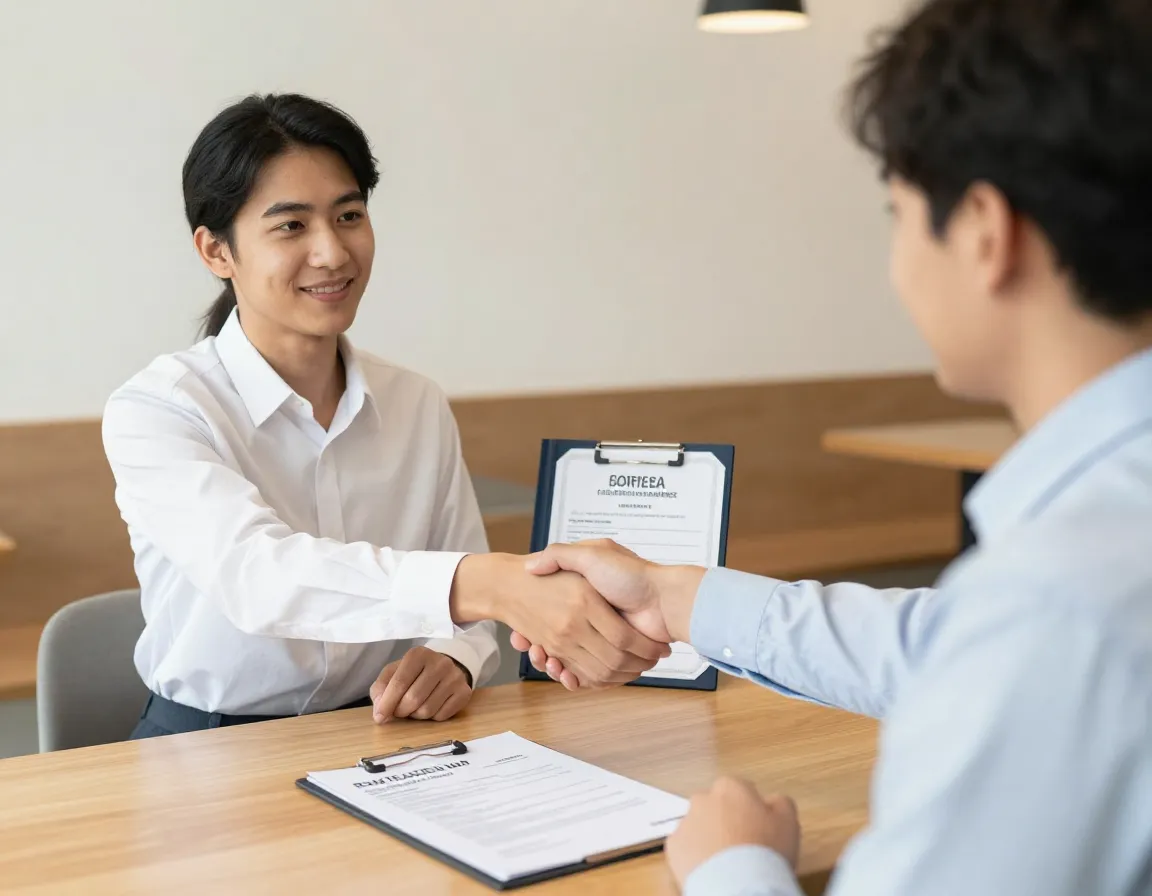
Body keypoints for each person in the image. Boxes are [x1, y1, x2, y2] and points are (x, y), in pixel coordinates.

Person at [514, 0, 1152, 892]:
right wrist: (676, 596)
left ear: (984, 231)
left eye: (897, 212)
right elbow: (945, 646)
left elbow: (1010, 647)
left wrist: (734, 865)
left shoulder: (1055, 601)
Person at [103, 94, 668, 739]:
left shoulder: (415, 401)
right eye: (291, 226)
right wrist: (495, 585)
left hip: (380, 732)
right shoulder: (159, 409)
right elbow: (256, 576)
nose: (332, 252)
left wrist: (454, 656)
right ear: (216, 252)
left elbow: (469, 600)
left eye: (349, 215)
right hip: (208, 746)